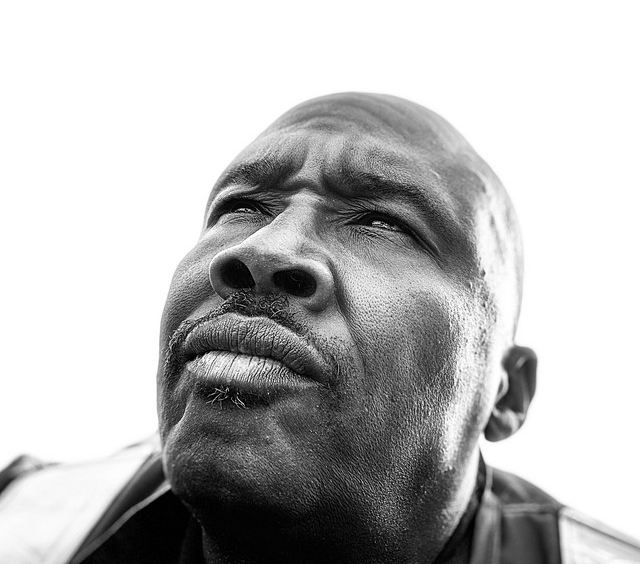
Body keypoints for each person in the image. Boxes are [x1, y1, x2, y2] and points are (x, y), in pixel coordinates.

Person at [1, 93, 638, 564]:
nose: (261, 249)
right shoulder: (25, 523)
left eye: (382, 223)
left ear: (505, 394)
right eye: (242, 207)